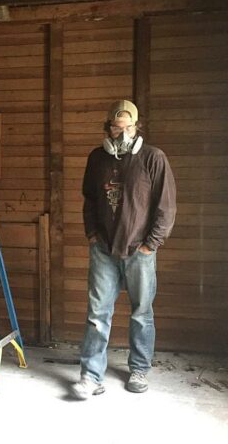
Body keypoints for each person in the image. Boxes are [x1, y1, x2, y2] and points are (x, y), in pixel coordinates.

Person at [71, 99, 176, 400]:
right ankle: (91, 377)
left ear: (136, 127)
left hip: (139, 251)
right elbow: (89, 200)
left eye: (128, 127)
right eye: (117, 128)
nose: (122, 133)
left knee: (142, 313)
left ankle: (139, 369)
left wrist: (149, 245)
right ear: (109, 129)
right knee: (97, 314)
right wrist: (92, 234)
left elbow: (166, 207)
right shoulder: (97, 158)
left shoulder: (153, 158)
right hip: (103, 249)